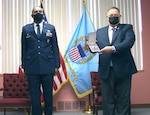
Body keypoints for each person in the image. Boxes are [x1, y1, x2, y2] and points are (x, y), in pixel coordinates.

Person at [95, 7, 137, 115]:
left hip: (123, 69)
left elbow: (129, 42)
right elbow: (97, 48)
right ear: (107, 17)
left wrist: (113, 48)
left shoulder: (127, 28)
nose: (113, 17)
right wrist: (90, 47)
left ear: (120, 16)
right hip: (106, 70)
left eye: (115, 15)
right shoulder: (99, 32)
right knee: (107, 100)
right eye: (111, 15)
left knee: (123, 99)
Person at [21, 6, 60, 115]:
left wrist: (57, 64)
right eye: (35, 12)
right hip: (32, 66)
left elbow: (55, 47)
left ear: (43, 14)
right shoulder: (26, 29)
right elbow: (24, 48)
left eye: (40, 12)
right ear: (32, 15)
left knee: (48, 96)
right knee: (34, 96)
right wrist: (24, 66)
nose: (38, 13)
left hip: (47, 66)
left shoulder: (50, 28)